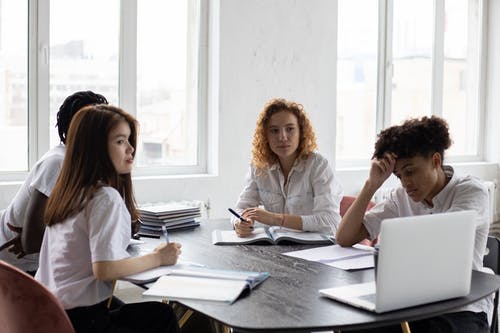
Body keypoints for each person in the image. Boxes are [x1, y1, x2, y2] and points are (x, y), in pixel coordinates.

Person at [336, 116, 491, 333]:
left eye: (410, 171)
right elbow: (344, 237)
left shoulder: (470, 192)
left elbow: (441, 242)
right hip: (411, 303)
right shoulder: (400, 196)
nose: (406, 183)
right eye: (399, 176)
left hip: (461, 306)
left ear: (436, 161)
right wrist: (371, 185)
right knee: (351, 328)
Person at [35, 104, 181, 333]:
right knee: (162, 316)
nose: (131, 149)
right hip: (82, 322)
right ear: (96, 148)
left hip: (51, 314)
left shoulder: (70, 193)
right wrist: (158, 257)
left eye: (130, 140)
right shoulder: (104, 197)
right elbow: (105, 269)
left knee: (133, 309)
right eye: (120, 141)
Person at [0, 91, 108, 274]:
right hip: (19, 271)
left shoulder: (85, 163)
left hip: (41, 265)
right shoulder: (58, 163)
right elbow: (32, 241)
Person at [232, 98, 342, 237]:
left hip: (317, 250)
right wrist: (239, 223)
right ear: (265, 136)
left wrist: (277, 219)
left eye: (290, 129)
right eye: (274, 131)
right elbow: (242, 208)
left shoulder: (318, 166)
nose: (282, 137)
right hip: (278, 250)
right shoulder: (259, 167)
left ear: (301, 132)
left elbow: (330, 222)